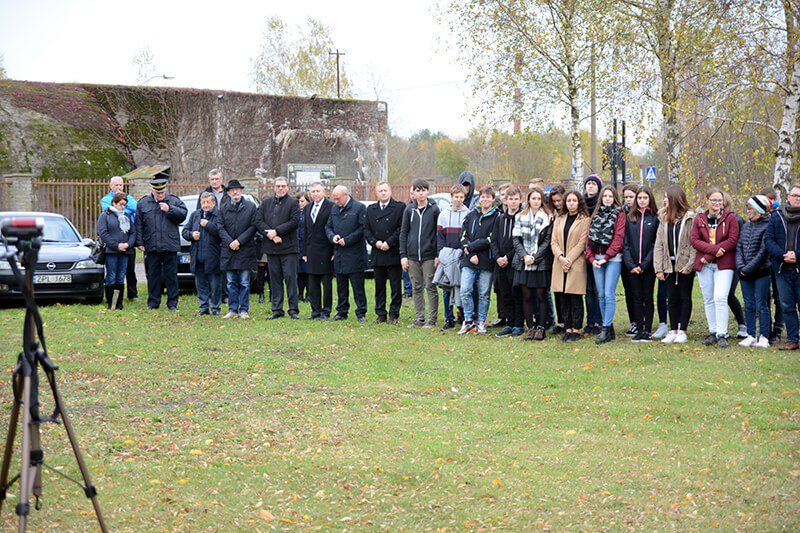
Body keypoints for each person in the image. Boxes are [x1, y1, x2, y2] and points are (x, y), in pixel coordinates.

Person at [691, 187, 740, 348]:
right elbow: (695, 241)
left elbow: (732, 239)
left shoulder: (730, 217)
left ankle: (722, 333)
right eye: (714, 200)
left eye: (720, 200)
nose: (717, 203)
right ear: (707, 201)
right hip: (705, 265)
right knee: (709, 299)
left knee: (720, 297)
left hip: (724, 264)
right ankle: (713, 331)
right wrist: (713, 252)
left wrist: (711, 254)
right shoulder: (699, 219)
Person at [135, 178, 187, 311]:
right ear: (152, 191)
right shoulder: (143, 203)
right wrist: (139, 242)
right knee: (153, 275)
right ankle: (153, 302)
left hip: (169, 244)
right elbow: (139, 224)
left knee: (171, 276)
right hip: (151, 244)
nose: (160, 195)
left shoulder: (174, 201)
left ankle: (172, 303)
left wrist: (170, 209)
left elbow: (183, 215)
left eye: (162, 192)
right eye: (158, 193)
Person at [654, 185, 696, 344]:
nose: (664, 200)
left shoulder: (690, 218)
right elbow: (659, 244)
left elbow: (693, 243)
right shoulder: (663, 218)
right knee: (671, 297)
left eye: (666, 197)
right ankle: (673, 330)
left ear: (674, 199)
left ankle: (683, 330)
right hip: (668, 265)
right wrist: (658, 268)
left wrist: (690, 265)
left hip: (684, 265)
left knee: (684, 296)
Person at [585, 185, 626, 344]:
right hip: (596, 259)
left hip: (612, 259)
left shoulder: (619, 215)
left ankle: (605, 328)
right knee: (600, 294)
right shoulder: (595, 214)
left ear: (614, 198)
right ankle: (608, 327)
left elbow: (618, 238)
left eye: (610, 196)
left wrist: (607, 257)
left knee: (609, 294)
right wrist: (591, 258)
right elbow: (588, 239)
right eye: (605, 196)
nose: (607, 199)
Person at [256, 176, 301, 320]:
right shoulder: (266, 203)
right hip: (271, 248)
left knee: (290, 279)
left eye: (283, 186)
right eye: (278, 186)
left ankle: (293, 309)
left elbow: (295, 221)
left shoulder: (293, 202)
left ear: (287, 187)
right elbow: (258, 221)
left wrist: (277, 231)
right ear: (274, 188)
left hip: (289, 248)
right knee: (274, 280)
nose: (280, 188)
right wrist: (270, 235)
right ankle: (277, 309)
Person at [457, 186, 499, 335]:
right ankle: (468, 321)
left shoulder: (497, 217)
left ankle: (481, 322)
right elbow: (463, 236)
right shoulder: (471, 215)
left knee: (484, 294)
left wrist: (472, 247)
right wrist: (470, 252)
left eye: (488, 197)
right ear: (479, 198)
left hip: (487, 261)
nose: (485, 199)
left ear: (493, 199)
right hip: (469, 260)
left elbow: (491, 239)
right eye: (483, 197)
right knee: (465, 290)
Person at [399, 179, 441, 328]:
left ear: (427, 191)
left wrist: (437, 255)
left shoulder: (434, 210)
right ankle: (419, 318)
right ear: (414, 193)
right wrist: (403, 255)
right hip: (412, 256)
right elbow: (403, 233)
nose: (421, 193)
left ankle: (432, 319)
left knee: (430, 286)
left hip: (429, 255)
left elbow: (438, 233)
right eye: (418, 191)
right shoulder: (409, 210)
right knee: (416, 287)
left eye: (423, 190)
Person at [512, 187, 552, 341]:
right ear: (528, 199)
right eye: (533, 198)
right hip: (524, 262)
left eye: (538, 198)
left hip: (540, 262)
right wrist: (524, 256)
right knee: (527, 295)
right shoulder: (520, 216)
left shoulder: (548, 217)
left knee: (541, 295)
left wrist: (534, 257)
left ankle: (541, 327)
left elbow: (547, 241)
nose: (536, 201)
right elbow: (516, 239)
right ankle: (530, 327)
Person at [550, 190, 591, 341]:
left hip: (575, 262)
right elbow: (553, 241)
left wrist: (569, 260)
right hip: (559, 262)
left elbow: (582, 243)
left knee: (575, 297)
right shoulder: (559, 219)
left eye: (574, 201)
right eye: (568, 201)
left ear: (579, 202)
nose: (571, 203)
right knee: (562, 297)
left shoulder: (585, 220)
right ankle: (567, 328)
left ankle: (576, 330)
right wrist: (561, 258)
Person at [764, 182, 800, 351]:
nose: (797, 199)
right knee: (787, 306)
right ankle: (792, 339)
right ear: (788, 197)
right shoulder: (777, 216)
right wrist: (782, 255)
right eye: (795, 196)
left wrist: (797, 255)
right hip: (781, 269)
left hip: (799, 267)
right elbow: (768, 240)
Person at [326, 185, 369, 322]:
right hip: (339, 254)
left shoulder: (359, 207)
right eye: (334, 199)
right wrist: (332, 237)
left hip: (355, 254)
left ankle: (361, 312)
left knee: (358, 287)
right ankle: (342, 311)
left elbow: (362, 228)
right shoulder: (334, 209)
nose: (336, 201)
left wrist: (348, 240)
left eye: (338, 199)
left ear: (346, 195)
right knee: (341, 286)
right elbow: (328, 226)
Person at [623, 186, 660, 342]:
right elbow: (625, 243)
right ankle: (639, 329)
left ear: (650, 199)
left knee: (647, 297)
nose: (642, 200)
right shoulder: (630, 217)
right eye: (639, 198)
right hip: (632, 266)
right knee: (636, 297)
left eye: (645, 198)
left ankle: (647, 330)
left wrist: (644, 264)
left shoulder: (655, 218)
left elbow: (655, 244)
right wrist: (631, 265)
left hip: (648, 266)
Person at [365, 182, 405, 324]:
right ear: (376, 193)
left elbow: (401, 228)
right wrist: (375, 242)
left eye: (385, 190)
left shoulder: (399, 207)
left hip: (393, 251)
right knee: (379, 286)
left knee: (395, 286)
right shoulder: (371, 209)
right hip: (378, 252)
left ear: (390, 191)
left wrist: (389, 242)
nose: (383, 193)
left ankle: (394, 314)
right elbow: (366, 229)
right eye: (380, 191)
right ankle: (381, 313)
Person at [736, 195, 772, 348]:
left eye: (750, 208)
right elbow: (739, 247)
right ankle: (751, 335)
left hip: (761, 272)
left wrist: (748, 268)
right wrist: (741, 267)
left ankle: (764, 336)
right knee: (749, 304)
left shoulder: (768, 226)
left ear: (758, 210)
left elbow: (763, 252)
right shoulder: (746, 226)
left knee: (762, 304)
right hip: (745, 273)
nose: (748, 211)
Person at [218, 179, 258, 319]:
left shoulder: (251, 207)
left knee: (244, 282)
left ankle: (244, 310)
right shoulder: (223, 208)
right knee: (231, 282)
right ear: (228, 193)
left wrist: (239, 241)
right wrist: (230, 242)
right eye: (232, 190)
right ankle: (232, 309)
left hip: (245, 249)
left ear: (241, 191)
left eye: (237, 189)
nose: (235, 192)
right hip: (228, 250)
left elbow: (253, 227)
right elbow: (220, 227)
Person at [182, 191, 223, 316]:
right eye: (203, 202)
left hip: (213, 257)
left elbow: (221, 233)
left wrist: (208, 225)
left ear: (214, 203)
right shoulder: (195, 215)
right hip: (198, 257)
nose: (205, 205)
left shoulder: (219, 215)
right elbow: (185, 231)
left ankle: (215, 308)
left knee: (215, 286)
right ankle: (204, 307)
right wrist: (191, 235)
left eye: (208, 202)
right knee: (200, 285)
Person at [435, 184, 470, 331]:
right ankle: (449, 318)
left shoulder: (468, 214)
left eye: (461, 197)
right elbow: (440, 237)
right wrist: (441, 254)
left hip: (461, 255)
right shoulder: (443, 214)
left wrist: (462, 251)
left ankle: (463, 316)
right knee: (447, 287)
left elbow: (468, 236)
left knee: (461, 287)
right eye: (456, 197)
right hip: (447, 256)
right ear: (451, 197)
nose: (458, 200)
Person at [492, 186, 524, 337]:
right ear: (505, 200)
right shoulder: (500, 219)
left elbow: (520, 242)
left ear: (520, 200)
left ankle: (518, 324)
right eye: (510, 199)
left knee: (516, 294)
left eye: (516, 199)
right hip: (500, 263)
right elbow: (494, 240)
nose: (513, 202)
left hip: (515, 262)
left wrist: (508, 257)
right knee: (505, 294)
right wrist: (498, 257)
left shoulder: (522, 218)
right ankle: (509, 323)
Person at [100, 176, 138, 301]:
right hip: (112, 247)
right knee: (112, 274)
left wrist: (128, 244)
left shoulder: (128, 200)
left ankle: (128, 296)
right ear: (111, 186)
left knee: (127, 271)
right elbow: (107, 215)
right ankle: (111, 300)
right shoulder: (105, 202)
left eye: (121, 185)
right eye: (116, 185)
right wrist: (116, 245)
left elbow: (136, 208)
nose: (119, 187)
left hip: (127, 245)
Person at [303, 182, 335, 320]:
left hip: (326, 250)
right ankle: (315, 311)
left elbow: (334, 228)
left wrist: (334, 251)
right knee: (313, 284)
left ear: (324, 192)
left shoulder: (331, 206)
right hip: (311, 251)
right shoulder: (308, 207)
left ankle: (326, 311)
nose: (315, 194)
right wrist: (304, 251)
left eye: (318, 191)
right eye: (313, 191)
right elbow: (306, 230)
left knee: (326, 284)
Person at [760, 186, 784, 344]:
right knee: (764, 297)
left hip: (777, 260)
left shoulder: (780, 215)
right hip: (762, 262)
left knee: (779, 297)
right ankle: (766, 328)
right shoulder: (759, 217)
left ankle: (778, 329)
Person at [582, 174, 603, 334]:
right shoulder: (581, 205)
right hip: (583, 253)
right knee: (588, 289)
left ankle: (599, 321)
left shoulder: (601, 205)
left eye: (594, 184)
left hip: (598, 253)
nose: (590, 186)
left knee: (597, 289)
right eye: (588, 183)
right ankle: (590, 321)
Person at [620, 183, 640, 336]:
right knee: (628, 291)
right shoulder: (621, 213)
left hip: (639, 258)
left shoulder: (643, 214)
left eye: (631, 197)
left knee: (640, 292)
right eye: (626, 197)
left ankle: (642, 321)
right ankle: (633, 321)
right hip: (624, 258)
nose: (628, 200)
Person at [547, 185, 566, 334]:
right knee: (557, 290)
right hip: (553, 256)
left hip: (566, 255)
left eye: (559, 200)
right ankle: (561, 321)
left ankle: (568, 320)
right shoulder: (552, 215)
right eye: (554, 201)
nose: (557, 204)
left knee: (567, 291)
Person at [295, 191, 310, 302]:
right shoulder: (296, 213)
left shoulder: (309, 212)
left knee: (308, 271)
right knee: (299, 272)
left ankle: (309, 294)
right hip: (297, 245)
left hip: (307, 245)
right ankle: (300, 294)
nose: (300, 203)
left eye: (302, 201)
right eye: (298, 201)